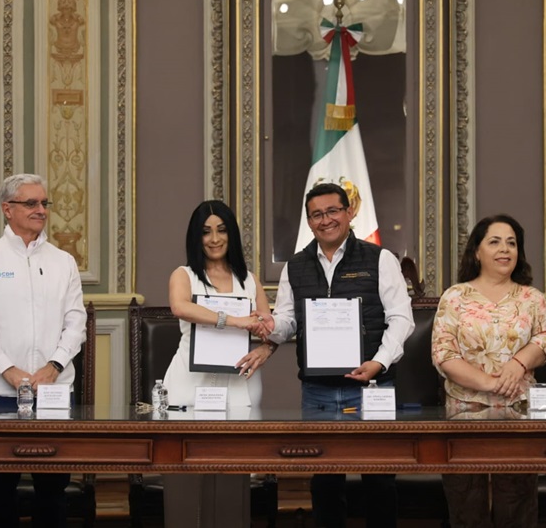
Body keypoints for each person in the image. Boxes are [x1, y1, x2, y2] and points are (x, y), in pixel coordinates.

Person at [264, 182, 415, 528]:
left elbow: (401, 318)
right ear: (309, 221)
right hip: (317, 391)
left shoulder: (380, 259)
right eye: (316, 214)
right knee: (325, 484)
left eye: (333, 211)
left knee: (379, 481)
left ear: (349, 212)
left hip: (372, 388)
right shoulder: (295, 267)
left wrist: (379, 362)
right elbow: (287, 322)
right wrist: (268, 326)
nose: (326, 220)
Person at [0, 173, 86, 528]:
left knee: (53, 488)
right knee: (1, 488)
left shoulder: (63, 261)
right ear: (8, 209)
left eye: (44, 203)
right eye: (31, 203)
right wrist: (10, 371)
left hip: (53, 390)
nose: (41, 210)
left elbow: (76, 322)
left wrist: (53, 366)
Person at [431, 214, 546, 528]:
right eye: (495, 242)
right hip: (463, 413)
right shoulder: (454, 297)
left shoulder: (532, 298)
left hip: (518, 412)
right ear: (477, 251)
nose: (505, 249)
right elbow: (443, 354)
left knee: (517, 506)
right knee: (466, 505)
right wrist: (489, 383)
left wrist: (518, 364)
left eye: (511, 243)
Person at [161, 200, 274, 527]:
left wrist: (265, 343)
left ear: (232, 234)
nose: (214, 239)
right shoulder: (183, 275)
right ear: (195, 237)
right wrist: (235, 321)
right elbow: (180, 307)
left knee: (232, 479)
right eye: (206, 232)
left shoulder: (249, 280)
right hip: (188, 385)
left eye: (221, 230)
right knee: (184, 476)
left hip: (238, 384)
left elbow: (269, 326)